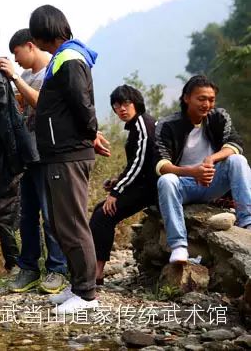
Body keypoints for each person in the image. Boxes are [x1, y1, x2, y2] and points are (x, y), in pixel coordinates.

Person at [29, 5, 111, 314]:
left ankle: (87, 295)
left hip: (68, 155)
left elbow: (82, 103)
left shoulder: (69, 58)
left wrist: (91, 133)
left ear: (42, 32)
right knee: (63, 224)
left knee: (73, 223)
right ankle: (78, 286)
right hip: (59, 154)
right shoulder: (62, 58)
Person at [0, 29, 69, 294]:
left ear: (30, 46)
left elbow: (41, 102)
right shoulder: (26, 77)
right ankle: (29, 267)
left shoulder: (51, 71)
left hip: (48, 155)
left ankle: (57, 269)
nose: (17, 62)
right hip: (28, 157)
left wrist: (14, 78)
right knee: (27, 215)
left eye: (18, 55)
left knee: (51, 215)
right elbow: (21, 104)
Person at [155, 75, 250, 264]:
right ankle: (179, 246)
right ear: (186, 98)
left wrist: (211, 159)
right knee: (165, 180)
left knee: (237, 160)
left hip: (213, 179)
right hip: (185, 185)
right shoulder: (167, 125)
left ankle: (247, 221)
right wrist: (193, 171)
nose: (207, 104)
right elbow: (161, 165)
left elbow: (235, 144)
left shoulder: (219, 117)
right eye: (201, 99)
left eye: (211, 99)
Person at [89, 85, 158, 284]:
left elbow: (141, 163)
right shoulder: (137, 125)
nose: (122, 109)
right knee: (100, 209)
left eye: (126, 104)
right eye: (116, 106)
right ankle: (94, 267)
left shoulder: (144, 125)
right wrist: (117, 181)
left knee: (104, 215)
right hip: (144, 185)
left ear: (136, 103)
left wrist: (117, 191)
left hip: (152, 187)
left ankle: (96, 273)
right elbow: (135, 165)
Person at [0, 58, 37, 277]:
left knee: (6, 211)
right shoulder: (0, 92)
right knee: (10, 210)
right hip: (10, 164)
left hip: (0, 166)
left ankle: (14, 262)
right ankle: (16, 262)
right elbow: (7, 131)